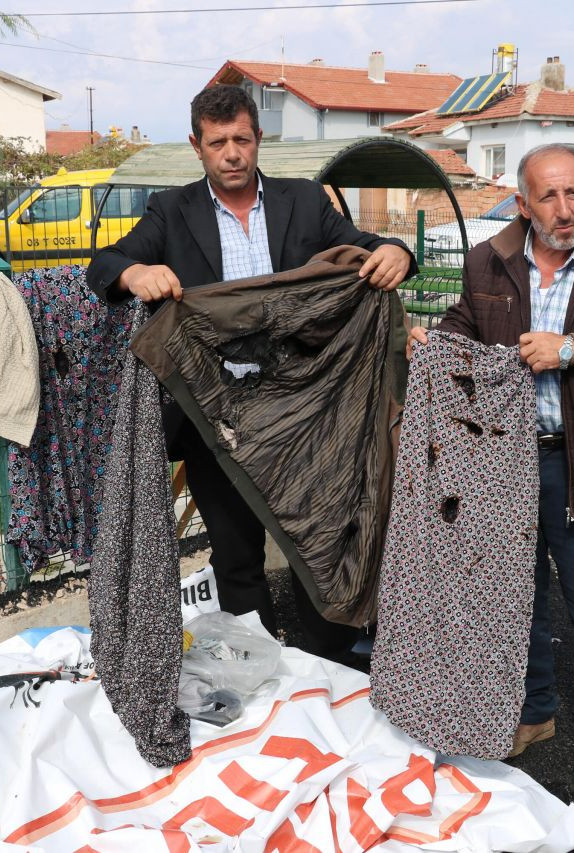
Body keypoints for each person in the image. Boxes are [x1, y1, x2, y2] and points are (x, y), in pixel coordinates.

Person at [87, 84, 415, 668]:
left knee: (319, 538)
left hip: (305, 412)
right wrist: (136, 272)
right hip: (217, 421)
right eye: (218, 143)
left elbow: (363, 249)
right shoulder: (172, 212)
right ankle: (261, 671)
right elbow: (104, 265)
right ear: (197, 146)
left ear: (259, 139)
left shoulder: (305, 203)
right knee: (236, 551)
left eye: (242, 139)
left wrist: (397, 252)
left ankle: (330, 667)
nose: (232, 154)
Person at [408, 143, 574, 789]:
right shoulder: (489, 262)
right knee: (516, 601)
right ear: (523, 204)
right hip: (504, 463)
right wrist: (435, 341)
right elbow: (465, 327)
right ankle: (535, 711)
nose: (565, 209)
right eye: (549, 197)